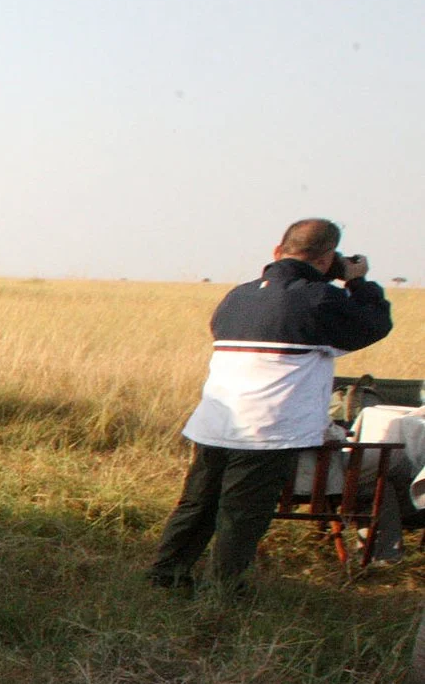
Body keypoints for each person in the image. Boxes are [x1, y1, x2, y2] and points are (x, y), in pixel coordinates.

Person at [147, 218, 393, 596]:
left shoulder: (237, 296)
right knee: (241, 514)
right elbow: (374, 324)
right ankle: (221, 593)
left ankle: (165, 576)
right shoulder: (319, 300)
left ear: (277, 252)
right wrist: (357, 281)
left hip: (215, 420)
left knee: (198, 503)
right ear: (328, 260)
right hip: (267, 429)